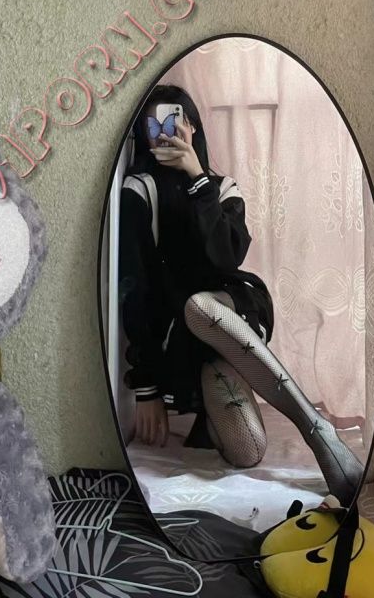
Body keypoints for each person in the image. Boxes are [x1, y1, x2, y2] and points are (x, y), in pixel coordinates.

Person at [118, 84, 274, 468]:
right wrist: (146, 386)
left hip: (232, 308)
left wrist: (197, 178)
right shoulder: (140, 189)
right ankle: (224, 383)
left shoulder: (221, 188)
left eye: (173, 122)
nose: (165, 133)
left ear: (191, 126)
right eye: (153, 126)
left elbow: (227, 259)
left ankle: (301, 416)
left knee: (205, 307)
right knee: (247, 451)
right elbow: (135, 288)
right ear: (142, 135)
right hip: (181, 332)